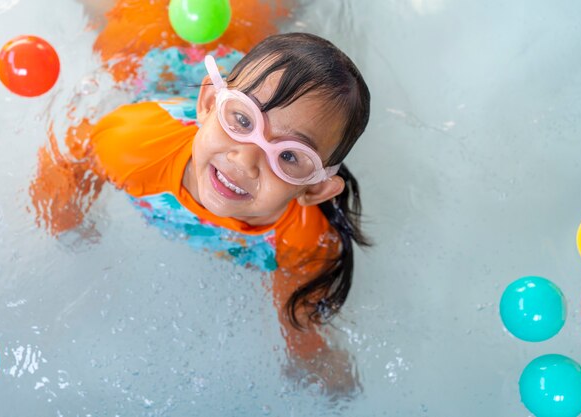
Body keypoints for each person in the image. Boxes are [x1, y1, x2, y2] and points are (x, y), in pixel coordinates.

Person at [35, 31, 371, 395]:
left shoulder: (307, 242)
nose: (244, 159)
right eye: (242, 122)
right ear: (209, 104)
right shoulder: (134, 143)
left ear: (316, 188)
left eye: (290, 156)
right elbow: (70, 165)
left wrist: (317, 366)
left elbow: (301, 331)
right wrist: (68, 227)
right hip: (163, 65)